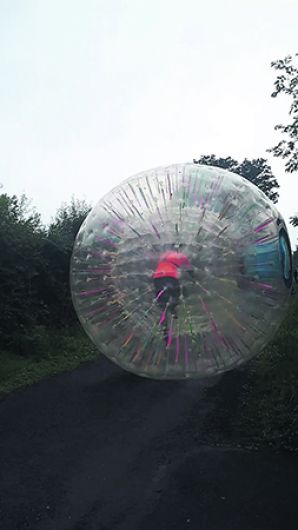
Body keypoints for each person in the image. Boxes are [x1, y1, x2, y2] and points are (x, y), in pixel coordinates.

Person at [153, 248, 194, 320]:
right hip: (170, 276)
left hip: (157, 277)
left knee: (161, 300)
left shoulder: (163, 255)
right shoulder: (181, 255)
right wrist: (194, 278)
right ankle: (172, 308)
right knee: (178, 294)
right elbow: (189, 269)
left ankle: (163, 323)